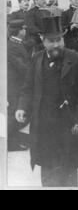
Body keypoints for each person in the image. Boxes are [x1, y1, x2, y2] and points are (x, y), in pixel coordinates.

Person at [16, 16, 78, 187]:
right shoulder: (36, 59)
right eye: (51, 41)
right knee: (48, 168)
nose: (56, 45)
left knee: (68, 169)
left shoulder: (76, 60)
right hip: (44, 126)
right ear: (43, 40)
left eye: (59, 40)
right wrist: (22, 107)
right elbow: (28, 87)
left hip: (68, 126)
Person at [7, 19, 30, 151]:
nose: (25, 31)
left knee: (15, 112)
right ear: (19, 31)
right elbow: (22, 67)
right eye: (24, 29)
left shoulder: (16, 43)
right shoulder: (13, 46)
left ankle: (12, 143)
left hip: (16, 85)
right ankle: (7, 143)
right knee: (14, 113)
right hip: (15, 86)